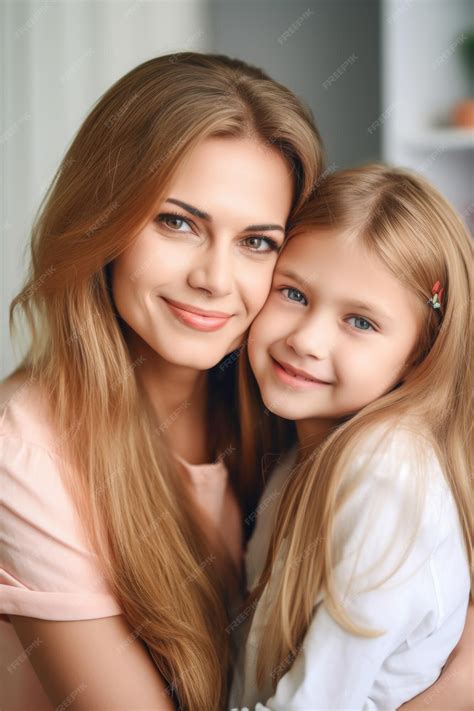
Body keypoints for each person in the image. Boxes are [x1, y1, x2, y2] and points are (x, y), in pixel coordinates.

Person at [0, 52, 321, 711]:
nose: (215, 278)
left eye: (257, 241)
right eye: (178, 222)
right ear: (104, 221)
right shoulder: (24, 449)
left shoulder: (290, 401)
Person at [230, 164, 473, 709]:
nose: (307, 340)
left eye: (360, 322)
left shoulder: (386, 474)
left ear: (421, 354)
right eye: (293, 293)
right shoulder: (303, 455)